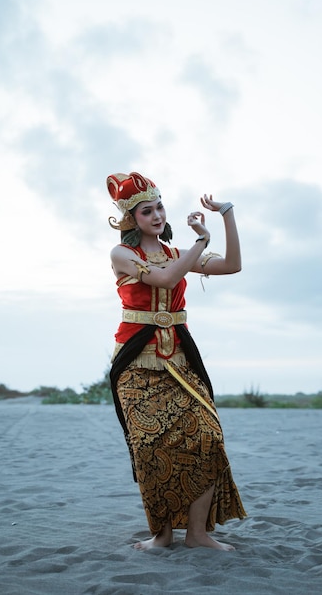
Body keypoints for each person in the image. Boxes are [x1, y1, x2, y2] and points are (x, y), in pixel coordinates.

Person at [107, 171, 246, 551]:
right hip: (137, 361)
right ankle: (162, 535)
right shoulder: (123, 254)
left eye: (160, 207)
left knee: (208, 436)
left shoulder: (176, 254)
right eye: (147, 211)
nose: (157, 216)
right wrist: (200, 242)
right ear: (130, 220)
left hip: (180, 358)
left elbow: (232, 265)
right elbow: (167, 280)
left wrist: (226, 214)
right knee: (149, 446)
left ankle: (198, 535)